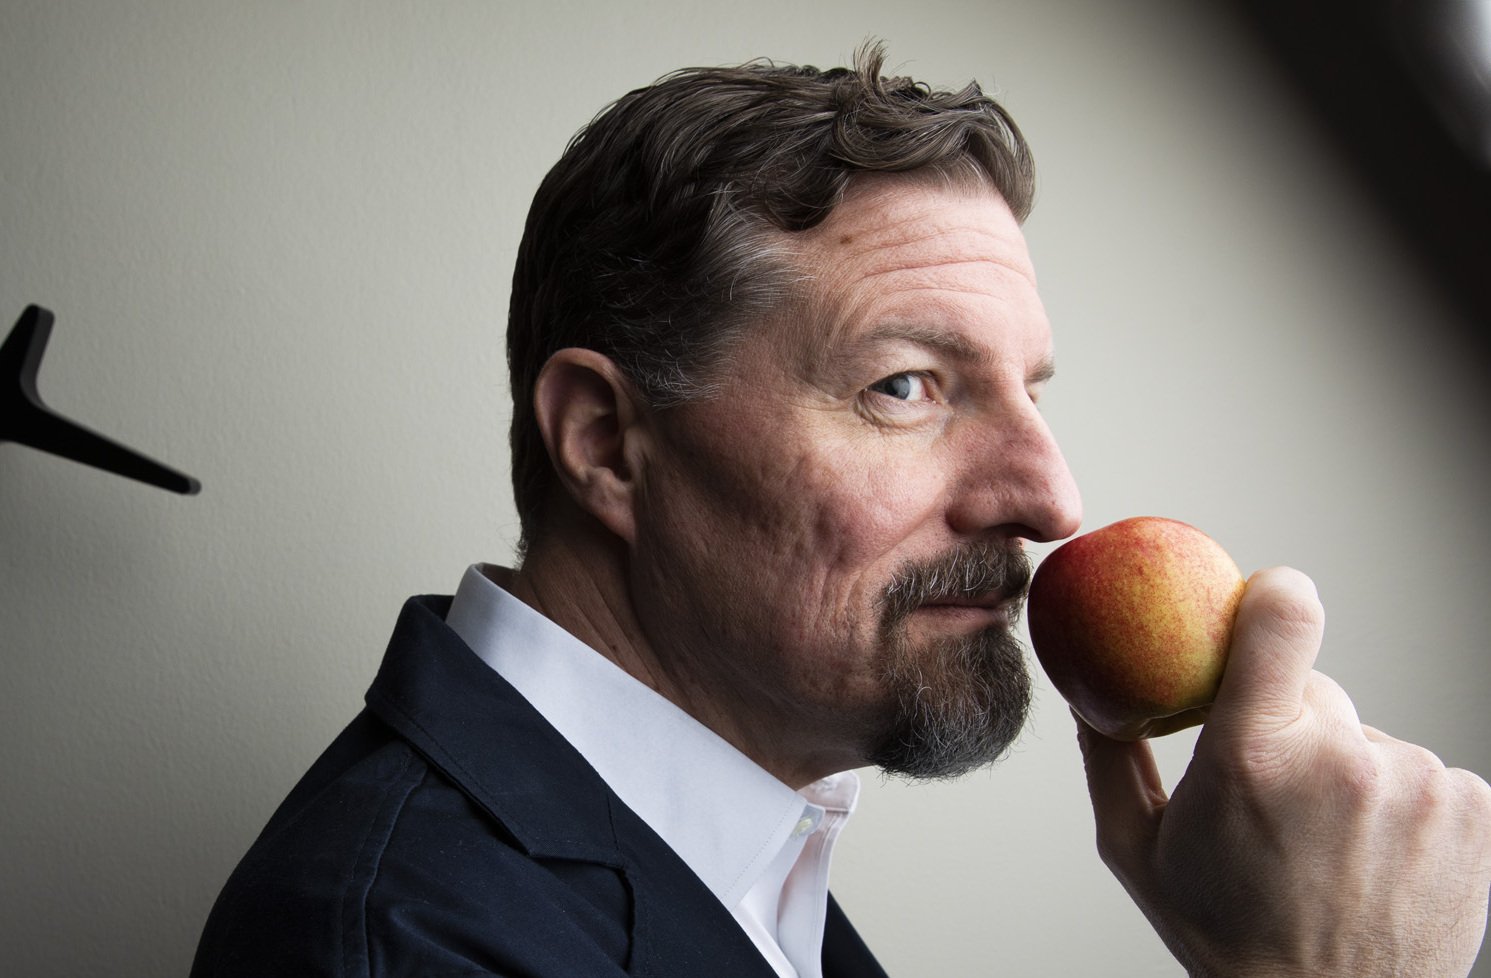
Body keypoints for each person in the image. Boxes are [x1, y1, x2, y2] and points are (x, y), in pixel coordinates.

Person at [190, 45, 1491, 977]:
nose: (1049, 497)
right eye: (908, 384)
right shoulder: (403, 941)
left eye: (1026, 391)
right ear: (606, 443)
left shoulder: (753, 861)